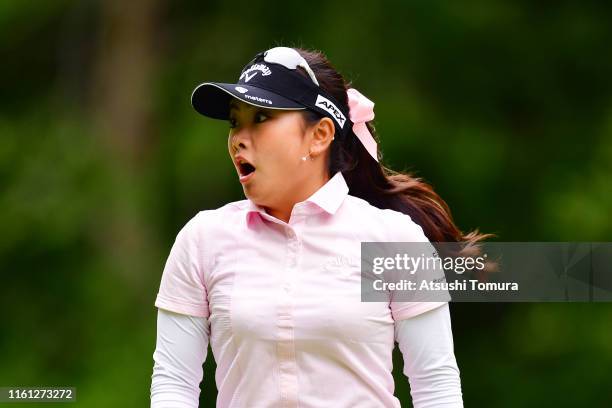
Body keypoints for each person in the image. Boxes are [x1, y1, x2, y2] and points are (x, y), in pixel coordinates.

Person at [151, 46, 490, 407]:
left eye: (262, 117)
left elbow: (435, 386)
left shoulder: (395, 238)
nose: (239, 138)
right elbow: (174, 384)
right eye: (236, 121)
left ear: (320, 135)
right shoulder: (203, 239)